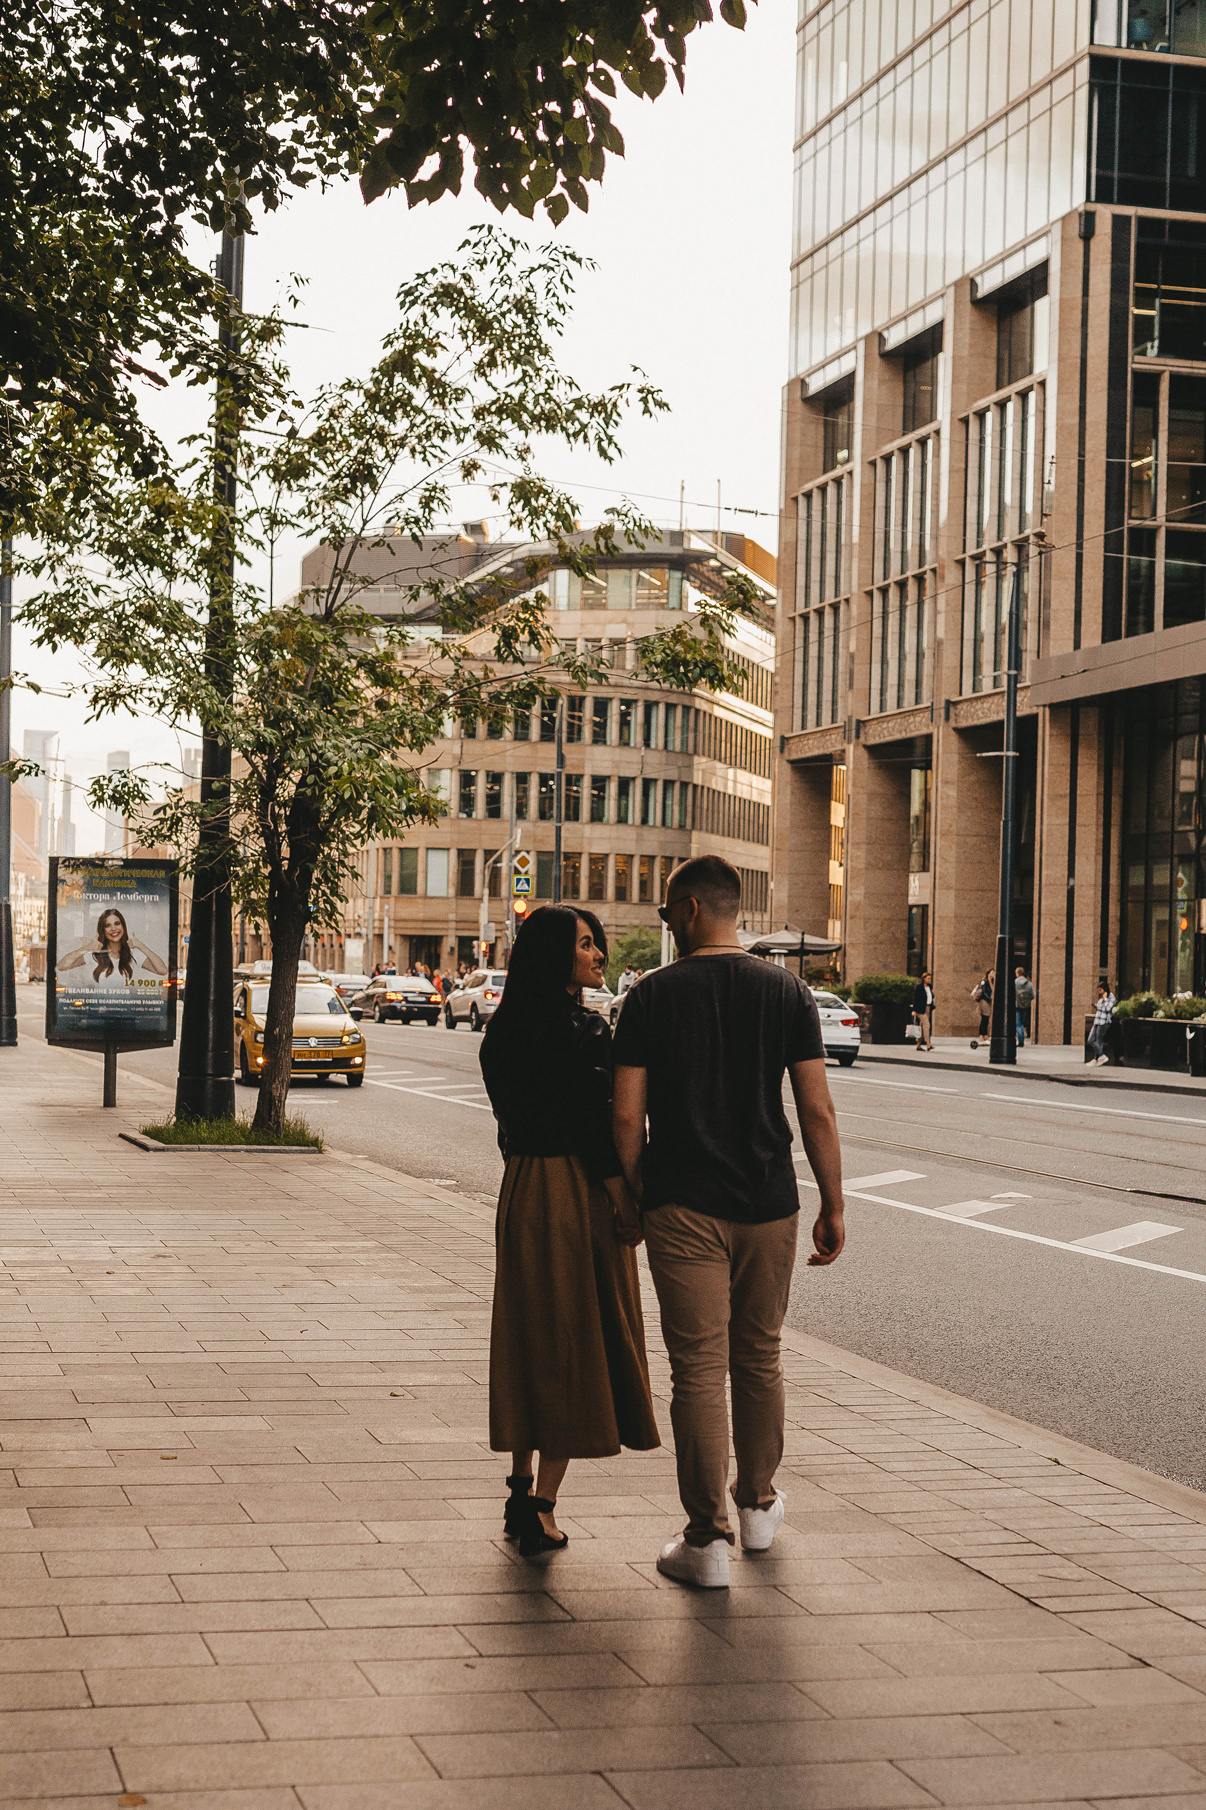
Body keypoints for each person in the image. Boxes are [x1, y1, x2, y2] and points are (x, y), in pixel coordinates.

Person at [612, 854, 845, 1590]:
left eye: (665, 913)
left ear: (687, 910)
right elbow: (816, 1109)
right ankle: (758, 1507)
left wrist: (632, 1191)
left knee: (697, 1370)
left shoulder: (649, 996)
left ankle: (706, 1540)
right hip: (770, 1203)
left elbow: (626, 1116)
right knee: (759, 1357)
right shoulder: (788, 992)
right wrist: (834, 1202)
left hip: (682, 1203)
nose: (667, 925)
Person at [480, 905, 659, 1560]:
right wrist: (624, 1200)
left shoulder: (499, 1033)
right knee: (574, 1344)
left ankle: (517, 1489)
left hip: (522, 1189)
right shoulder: (585, 1030)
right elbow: (596, 1127)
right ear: (555, 954)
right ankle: (542, 1508)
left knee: (529, 1340)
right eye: (585, 944)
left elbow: (508, 1126)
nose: (598, 954)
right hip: (575, 1194)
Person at [56, 909, 168, 988]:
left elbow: (162, 970)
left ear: (123, 927)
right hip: (99, 1011)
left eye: (117, 923)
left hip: (126, 1012)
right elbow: (61, 966)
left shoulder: (132, 954)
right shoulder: (95, 955)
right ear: (103, 930)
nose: (113, 929)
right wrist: (87, 947)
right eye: (107, 925)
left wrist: (140, 945)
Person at [1088, 982, 1116, 1065]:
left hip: (1104, 1022)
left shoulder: (1111, 998)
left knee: (1099, 1041)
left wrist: (1105, 999)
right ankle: (1101, 1056)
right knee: (1090, 1040)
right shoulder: (1101, 999)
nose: (1099, 992)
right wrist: (1097, 1006)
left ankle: (1098, 1058)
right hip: (1097, 1021)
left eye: (1100, 990)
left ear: (1105, 989)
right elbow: (1101, 1008)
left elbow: (1107, 1009)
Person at [911, 971, 934, 1051]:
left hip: (928, 1008)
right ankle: (928, 1044)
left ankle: (918, 1044)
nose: (930, 980)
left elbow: (928, 997)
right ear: (924, 979)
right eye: (928, 978)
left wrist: (933, 995)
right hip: (920, 1009)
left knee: (922, 1026)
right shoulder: (919, 987)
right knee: (927, 1025)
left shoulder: (929, 987)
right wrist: (914, 1010)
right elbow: (915, 999)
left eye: (930, 978)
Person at [971, 969, 993, 1048]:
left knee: (987, 1019)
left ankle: (985, 1035)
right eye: (992, 973)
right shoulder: (984, 981)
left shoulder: (992, 982)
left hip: (989, 1002)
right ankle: (982, 1035)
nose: (993, 974)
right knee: (985, 1018)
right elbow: (984, 991)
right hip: (984, 1001)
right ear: (988, 974)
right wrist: (989, 999)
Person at [1015, 967, 1035, 1046]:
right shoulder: (1029, 983)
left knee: (1018, 1023)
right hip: (1026, 1005)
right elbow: (1032, 995)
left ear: (1017, 974)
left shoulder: (1015, 982)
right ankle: (1022, 1037)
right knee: (1022, 1022)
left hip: (1017, 1004)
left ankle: (1020, 1040)